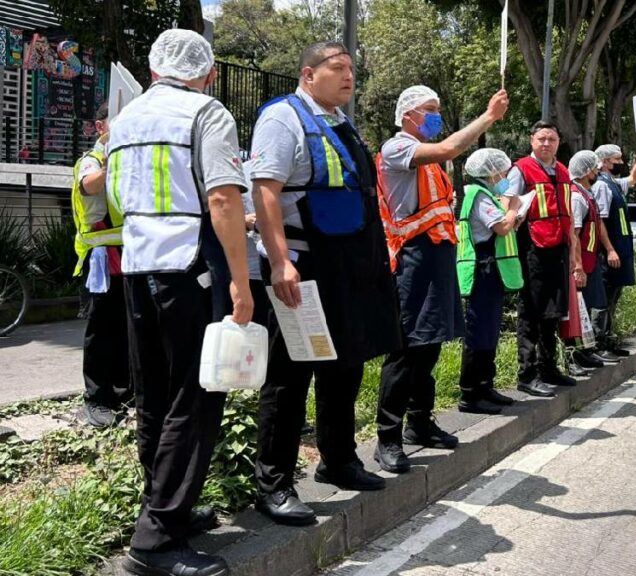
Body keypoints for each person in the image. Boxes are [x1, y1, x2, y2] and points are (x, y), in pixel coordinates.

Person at [109, 29, 252, 576]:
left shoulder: (124, 120)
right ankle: (156, 543)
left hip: (138, 267)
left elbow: (115, 196)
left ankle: (165, 509)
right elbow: (221, 197)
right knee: (195, 397)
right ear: (209, 72)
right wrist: (240, 282)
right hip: (190, 267)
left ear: (151, 71)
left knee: (156, 395)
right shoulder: (206, 112)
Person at [249, 41, 402, 526]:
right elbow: (265, 193)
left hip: (349, 270)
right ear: (307, 73)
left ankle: (338, 460)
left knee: (345, 366)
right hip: (305, 267)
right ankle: (273, 484)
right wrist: (279, 263)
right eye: (337, 68)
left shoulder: (340, 123)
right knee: (290, 378)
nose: (348, 76)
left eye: (352, 68)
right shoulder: (282, 119)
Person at [374, 85, 510, 474]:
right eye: (428, 110)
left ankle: (420, 421)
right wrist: (488, 117)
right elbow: (451, 148)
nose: (435, 116)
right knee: (406, 350)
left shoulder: (434, 162)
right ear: (407, 116)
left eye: (437, 109)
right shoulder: (397, 149)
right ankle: (388, 436)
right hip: (413, 258)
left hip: (438, 257)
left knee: (430, 345)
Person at [503, 121, 579, 397]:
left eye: (552, 139)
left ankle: (549, 367)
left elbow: (568, 214)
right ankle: (527, 373)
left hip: (558, 247)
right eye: (541, 139)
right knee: (531, 312)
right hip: (533, 248)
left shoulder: (562, 171)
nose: (546, 144)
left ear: (559, 142)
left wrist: (573, 253)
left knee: (553, 311)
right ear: (531, 140)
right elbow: (507, 202)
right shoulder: (520, 169)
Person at [71, 102, 131, 428]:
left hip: (127, 257)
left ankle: (123, 393)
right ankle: (96, 398)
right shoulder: (92, 160)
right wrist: (114, 166)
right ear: (100, 127)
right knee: (100, 332)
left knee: (125, 329)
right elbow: (88, 184)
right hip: (100, 261)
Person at [455, 148, 522, 415]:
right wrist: (513, 207)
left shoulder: (488, 195)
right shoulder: (478, 195)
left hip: (491, 269)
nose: (505, 175)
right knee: (478, 331)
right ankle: (470, 394)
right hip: (481, 268)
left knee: (490, 330)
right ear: (491, 172)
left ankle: (485, 386)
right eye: (502, 171)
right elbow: (501, 227)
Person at [591, 140, 636, 360]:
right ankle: (598, 345)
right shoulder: (600, 185)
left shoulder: (613, 183)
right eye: (617, 159)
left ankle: (608, 339)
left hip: (620, 250)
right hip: (610, 253)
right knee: (604, 298)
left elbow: (634, 179)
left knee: (613, 297)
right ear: (606, 162)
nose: (621, 163)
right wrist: (609, 249)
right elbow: (600, 221)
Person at [562, 150, 612, 375]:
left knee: (590, 307)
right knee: (577, 311)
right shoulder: (576, 196)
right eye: (593, 168)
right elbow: (574, 235)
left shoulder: (586, 193)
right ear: (584, 171)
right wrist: (577, 266)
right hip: (582, 263)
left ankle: (586, 350)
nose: (597, 171)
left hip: (591, 261)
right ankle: (574, 355)